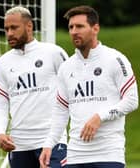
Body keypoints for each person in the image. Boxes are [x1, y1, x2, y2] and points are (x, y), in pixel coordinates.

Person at [39, 5, 139, 168]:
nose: (74, 31)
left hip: (108, 155)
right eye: (71, 27)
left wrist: (100, 116)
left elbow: (132, 100)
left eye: (80, 26)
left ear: (95, 28)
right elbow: (61, 111)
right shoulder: (66, 67)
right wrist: (49, 144)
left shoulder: (115, 59)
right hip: (75, 157)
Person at [0, 6, 68, 168]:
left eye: (14, 28)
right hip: (19, 145)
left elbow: (72, 91)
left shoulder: (53, 53)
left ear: (29, 26)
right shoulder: (2, 63)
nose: (9, 33)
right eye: (6, 29)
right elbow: (1, 103)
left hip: (52, 141)